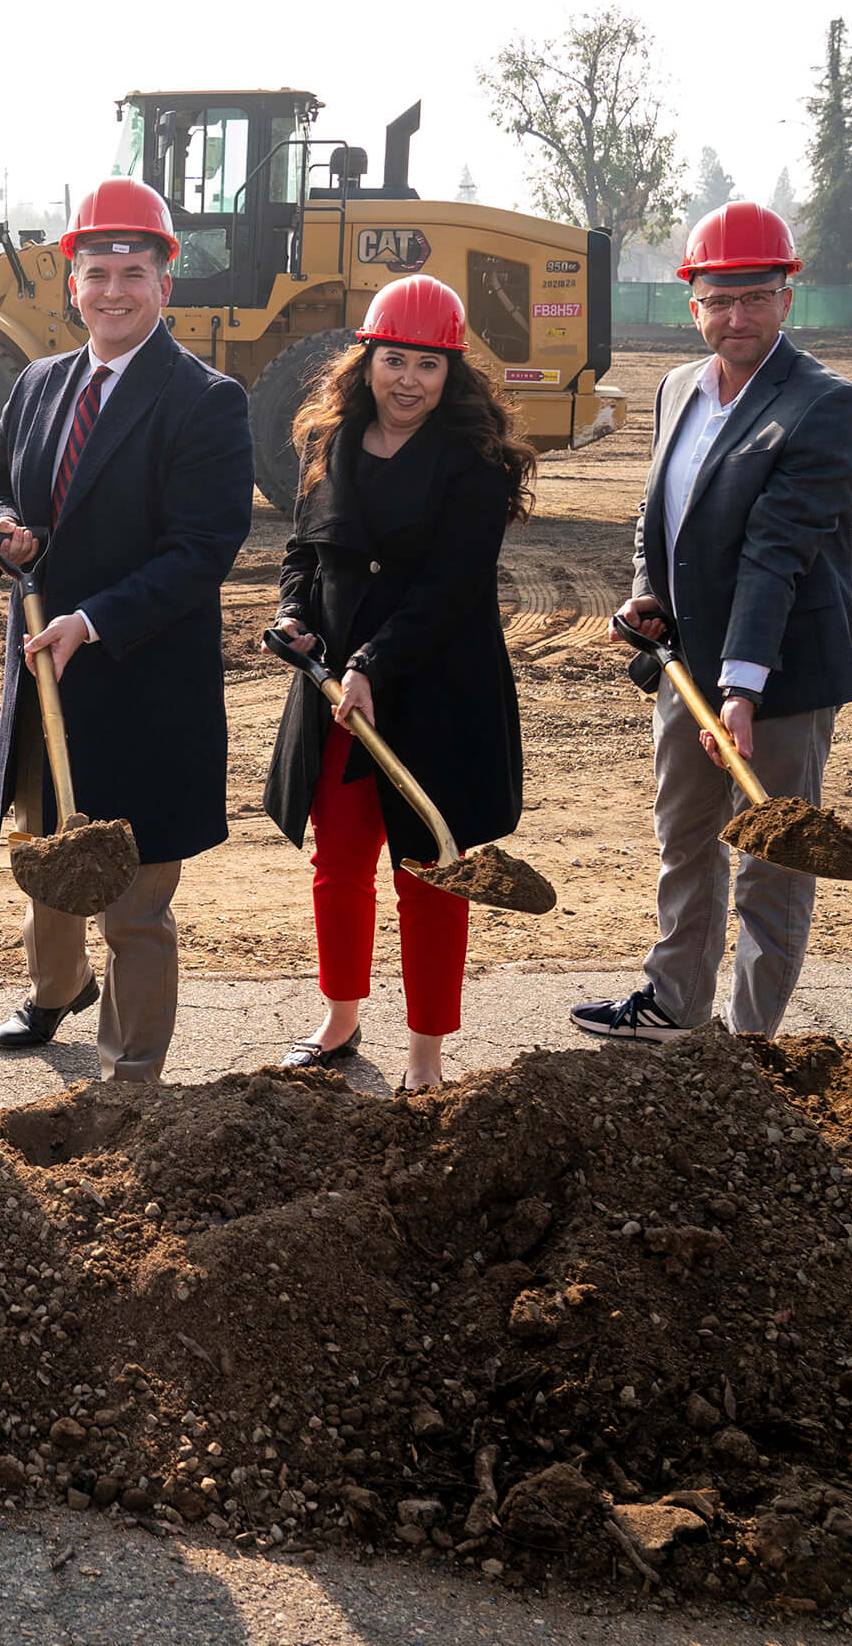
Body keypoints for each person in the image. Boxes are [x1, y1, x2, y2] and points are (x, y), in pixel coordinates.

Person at [0, 177, 252, 1081]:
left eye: (135, 271)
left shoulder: (205, 399)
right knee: (49, 859)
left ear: (167, 283)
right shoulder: (40, 383)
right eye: (98, 272)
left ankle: (131, 1076)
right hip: (49, 678)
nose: (114, 290)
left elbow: (200, 550)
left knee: (132, 900)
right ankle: (56, 992)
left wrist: (92, 621)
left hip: (141, 682)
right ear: (71, 284)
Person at [573, 202, 852, 1042]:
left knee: (771, 862)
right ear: (691, 301)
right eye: (719, 298)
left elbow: (776, 553)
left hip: (779, 670)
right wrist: (647, 593)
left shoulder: (826, 406)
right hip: (686, 664)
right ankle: (673, 1005)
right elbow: (656, 513)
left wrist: (742, 687)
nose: (736, 317)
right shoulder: (678, 389)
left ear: (787, 297)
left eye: (755, 296)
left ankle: (752, 1045)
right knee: (686, 841)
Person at [261, 276, 536, 1091]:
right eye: (393, 361)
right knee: (339, 865)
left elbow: (451, 588)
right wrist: (292, 614)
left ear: (452, 374)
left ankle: (425, 1055)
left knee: (429, 874)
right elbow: (306, 552)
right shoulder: (329, 441)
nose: (407, 380)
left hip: (435, 692)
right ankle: (340, 1020)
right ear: (366, 360)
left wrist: (372, 664)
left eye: (427, 364)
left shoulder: (477, 464)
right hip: (336, 696)